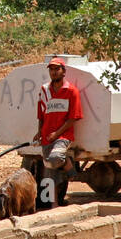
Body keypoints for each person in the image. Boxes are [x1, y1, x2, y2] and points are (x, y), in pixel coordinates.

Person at [32, 56, 83, 204]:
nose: (54, 72)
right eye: (52, 70)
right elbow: (41, 115)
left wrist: (57, 134)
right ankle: (53, 205)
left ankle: (69, 166)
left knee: (55, 159)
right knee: (49, 172)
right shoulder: (44, 90)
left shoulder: (71, 91)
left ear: (63, 71)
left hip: (63, 136)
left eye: (57, 69)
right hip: (47, 136)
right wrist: (39, 131)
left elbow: (73, 118)